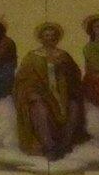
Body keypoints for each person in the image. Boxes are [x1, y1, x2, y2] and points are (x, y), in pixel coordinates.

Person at [13, 22, 86, 159]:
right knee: (39, 109)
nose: (50, 38)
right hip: (41, 95)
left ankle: (64, 145)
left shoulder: (63, 56)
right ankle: (50, 147)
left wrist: (63, 70)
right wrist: (32, 94)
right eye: (46, 36)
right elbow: (22, 80)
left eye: (53, 36)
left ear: (57, 38)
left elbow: (75, 75)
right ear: (41, 38)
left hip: (63, 95)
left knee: (75, 107)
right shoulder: (32, 56)